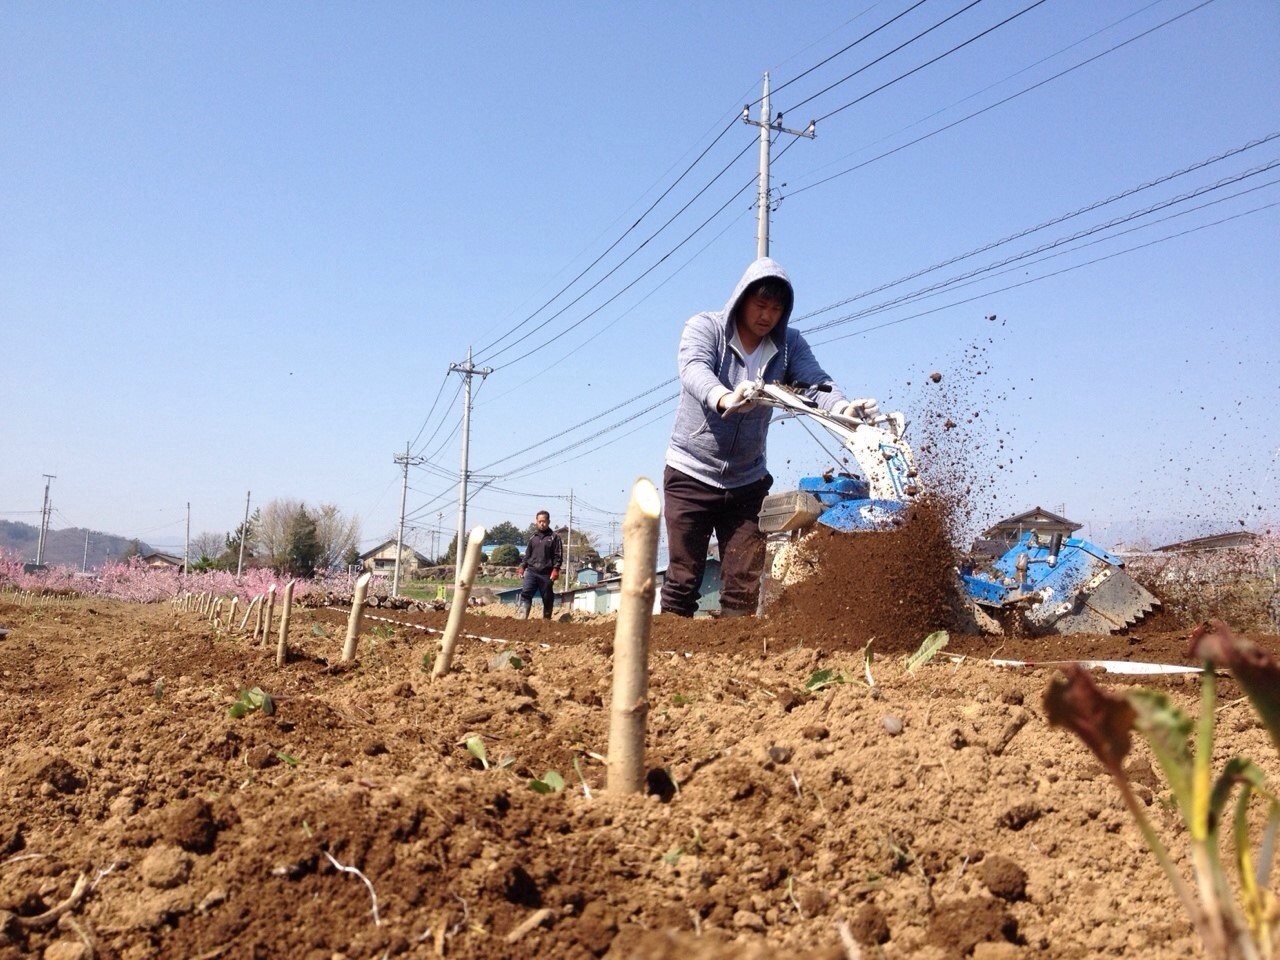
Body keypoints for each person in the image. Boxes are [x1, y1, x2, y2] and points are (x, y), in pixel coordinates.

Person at [661, 256, 878, 617]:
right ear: (741, 299)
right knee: (683, 579)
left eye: (776, 309)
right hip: (691, 473)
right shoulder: (706, 328)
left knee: (743, 586)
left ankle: (736, 649)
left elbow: (816, 383)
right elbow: (694, 369)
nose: (767, 315)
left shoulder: (789, 345)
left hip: (747, 482)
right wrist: (724, 397)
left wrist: (844, 409)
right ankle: (666, 648)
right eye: (760, 305)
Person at [517, 510, 563, 619]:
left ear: (548, 522)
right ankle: (521, 619)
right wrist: (522, 566)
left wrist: (556, 569)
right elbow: (527, 554)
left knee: (547, 598)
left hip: (546, 573)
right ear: (536, 522)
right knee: (526, 593)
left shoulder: (555, 537)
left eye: (544, 521)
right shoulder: (533, 537)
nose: (542, 524)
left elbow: (558, 555)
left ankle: (546, 621)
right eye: (539, 521)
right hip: (531, 571)